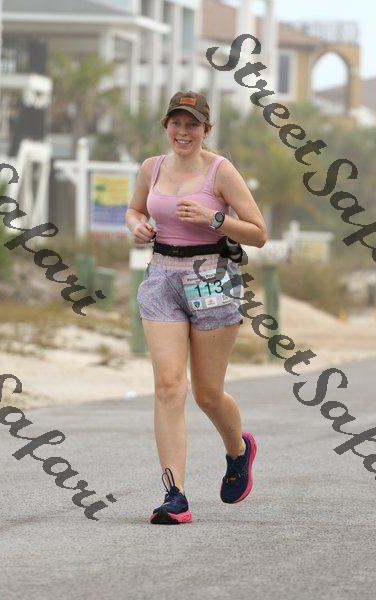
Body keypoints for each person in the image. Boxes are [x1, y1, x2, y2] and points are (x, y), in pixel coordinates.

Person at [125, 90, 267, 525]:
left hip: (212, 277)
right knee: (169, 387)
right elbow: (133, 210)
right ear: (166, 126)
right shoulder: (151, 168)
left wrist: (214, 219)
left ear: (206, 129)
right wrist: (137, 226)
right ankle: (175, 495)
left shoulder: (221, 171)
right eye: (176, 123)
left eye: (192, 124)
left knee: (207, 393)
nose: (183, 132)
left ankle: (238, 450)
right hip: (162, 277)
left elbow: (259, 234)